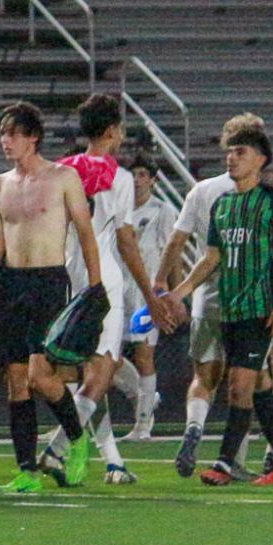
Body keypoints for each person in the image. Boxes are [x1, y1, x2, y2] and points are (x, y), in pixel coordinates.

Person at [160, 124, 273, 485]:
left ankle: (224, 464)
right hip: (228, 310)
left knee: (238, 386)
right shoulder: (223, 204)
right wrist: (180, 291)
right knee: (259, 385)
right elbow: (211, 258)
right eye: (229, 152)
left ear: (260, 160)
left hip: (259, 310)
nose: (231, 158)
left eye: (240, 152)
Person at [0, 101, 104, 494]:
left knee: (38, 375)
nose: (5, 141)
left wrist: (95, 290)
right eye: (2, 134)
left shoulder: (63, 178)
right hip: (12, 284)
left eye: (13, 133)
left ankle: (76, 438)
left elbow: (85, 233)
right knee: (16, 381)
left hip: (49, 282)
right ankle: (27, 471)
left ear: (33, 137)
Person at [43, 94, 162, 486]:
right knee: (103, 372)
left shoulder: (60, 169)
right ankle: (58, 448)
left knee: (90, 374)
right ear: (111, 131)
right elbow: (126, 241)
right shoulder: (122, 178)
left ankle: (113, 461)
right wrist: (148, 295)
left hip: (67, 276)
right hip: (104, 279)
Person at [159, 114, 265, 476]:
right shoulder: (255, 193)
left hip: (206, 296)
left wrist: (163, 284)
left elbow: (177, 240)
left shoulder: (202, 190)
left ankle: (194, 429)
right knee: (245, 383)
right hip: (248, 300)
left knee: (204, 378)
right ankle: (236, 459)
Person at [118, 154, 177, 439]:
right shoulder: (120, 210)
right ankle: (145, 396)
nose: (138, 179)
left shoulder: (162, 211)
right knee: (106, 354)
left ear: (153, 180)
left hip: (147, 294)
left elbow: (172, 252)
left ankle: (143, 422)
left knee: (144, 354)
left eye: (143, 174)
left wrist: (172, 294)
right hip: (119, 290)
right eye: (134, 174)